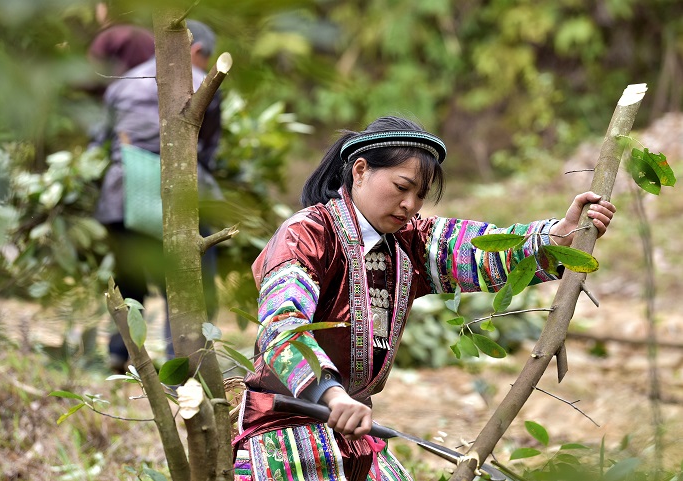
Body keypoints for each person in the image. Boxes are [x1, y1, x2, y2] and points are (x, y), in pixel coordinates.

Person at [231, 116, 616, 480]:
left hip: (354, 428)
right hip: (283, 426)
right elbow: (282, 324)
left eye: (420, 195)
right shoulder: (307, 232)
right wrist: (331, 395)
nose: (410, 205)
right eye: (401, 188)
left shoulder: (410, 240)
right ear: (360, 170)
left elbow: (481, 251)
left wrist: (558, 236)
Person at [92, 20, 222, 370]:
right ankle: (182, 362)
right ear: (196, 51)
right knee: (185, 280)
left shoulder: (123, 83)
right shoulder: (203, 83)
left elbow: (98, 142)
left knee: (128, 278)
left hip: (122, 195)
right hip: (177, 195)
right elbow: (207, 148)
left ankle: (120, 356)